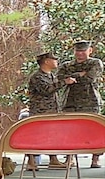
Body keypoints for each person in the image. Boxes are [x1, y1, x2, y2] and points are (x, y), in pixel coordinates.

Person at [57, 40, 103, 168]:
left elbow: (90, 78)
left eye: (83, 51)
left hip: (90, 101)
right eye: (78, 51)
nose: (80, 53)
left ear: (90, 50)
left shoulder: (95, 63)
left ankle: (95, 158)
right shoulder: (67, 65)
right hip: (70, 102)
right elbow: (60, 78)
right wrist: (80, 75)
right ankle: (70, 157)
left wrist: (73, 77)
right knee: (69, 131)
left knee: (94, 130)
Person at [25, 51, 62, 170]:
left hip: (52, 110)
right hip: (39, 111)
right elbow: (46, 90)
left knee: (52, 135)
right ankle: (31, 161)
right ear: (46, 61)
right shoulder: (37, 77)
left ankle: (53, 159)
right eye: (54, 59)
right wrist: (64, 82)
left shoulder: (51, 75)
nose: (56, 61)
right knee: (35, 136)